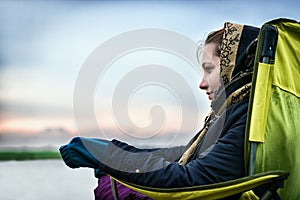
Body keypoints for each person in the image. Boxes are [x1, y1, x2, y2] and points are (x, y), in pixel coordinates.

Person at [59, 22, 260, 199]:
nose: (201, 83)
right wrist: (114, 152)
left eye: (209, 69)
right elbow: (184, 153)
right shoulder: (233, 113)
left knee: (111, 188)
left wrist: (108, 156)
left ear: (233, 66)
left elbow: (193, 179)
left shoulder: (247, 117)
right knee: (111, 181)